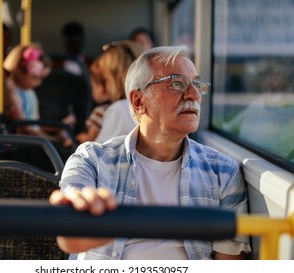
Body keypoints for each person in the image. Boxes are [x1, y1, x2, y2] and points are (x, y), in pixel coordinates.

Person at [50, 45, 252, 260]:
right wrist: (79, 216)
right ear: (138, 101)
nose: (194, 94)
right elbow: (70, 230)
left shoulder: (223, 172)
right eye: (177, 83)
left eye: (197, 84)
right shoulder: (92, 159)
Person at [91, 40, 144, 143]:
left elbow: (98, 154)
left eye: (105, 80)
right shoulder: (142, 106)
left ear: (117, 80)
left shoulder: (119, 110)